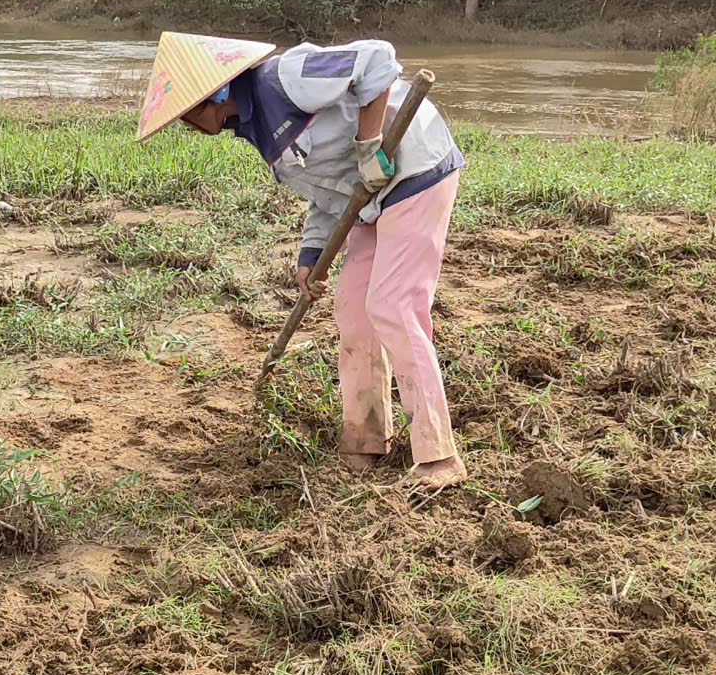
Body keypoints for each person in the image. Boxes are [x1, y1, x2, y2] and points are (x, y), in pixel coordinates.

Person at [135, 31, 468, 489]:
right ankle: (365, 440)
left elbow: (376, 60)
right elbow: (327, 187)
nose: (186, 124)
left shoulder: (285, 78)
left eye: (186, 112)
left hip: (414, 168)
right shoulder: (255, 129)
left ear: (215, 94)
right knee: (353, 310)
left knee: (393, 305)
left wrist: (369, 143)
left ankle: (438, 457)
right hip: (371, 198)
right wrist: (311, 254)